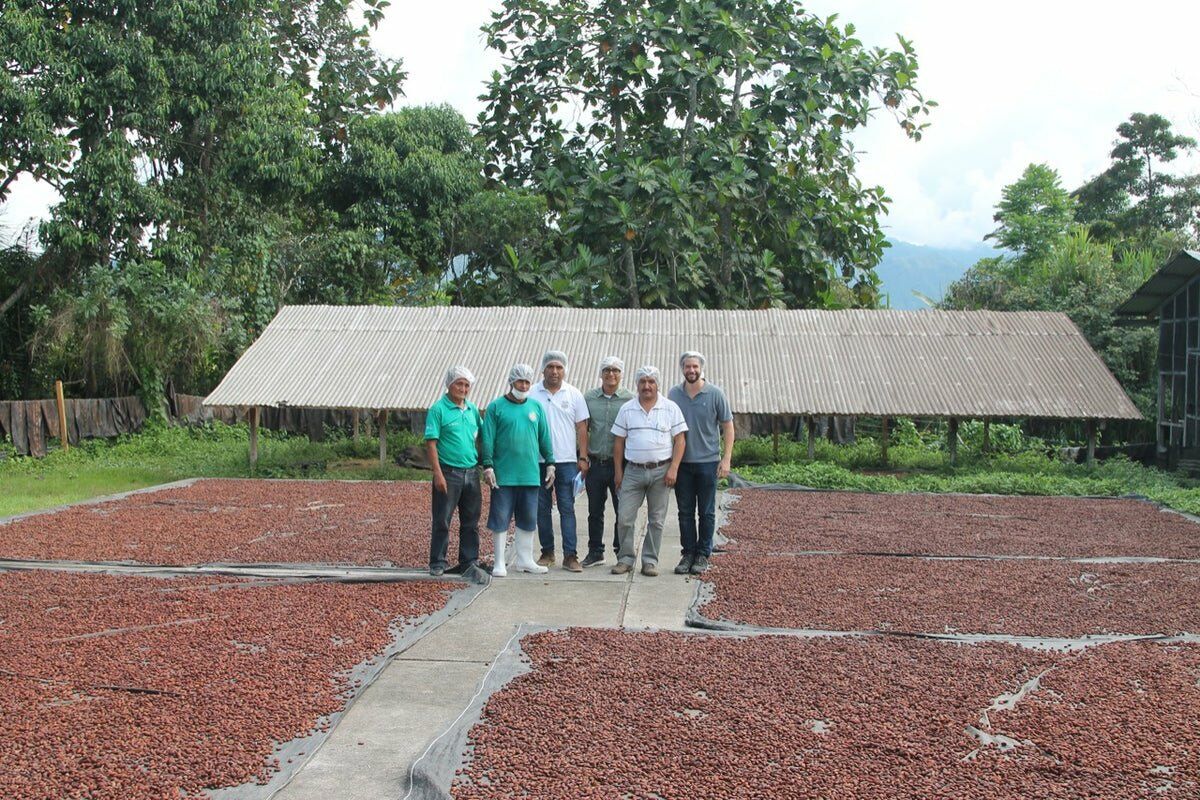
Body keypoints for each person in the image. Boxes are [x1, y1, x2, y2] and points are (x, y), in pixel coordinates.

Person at [610, 366, 687, 577]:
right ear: (637, 384)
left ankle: (650, 561)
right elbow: (618, 443)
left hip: (661, 472)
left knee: (657, 520)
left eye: (651, 381)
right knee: (624, 517)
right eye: (643, 381)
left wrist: (673, 468)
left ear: (657, 384)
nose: (647, 386)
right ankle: (625, 559)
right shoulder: (627, 409)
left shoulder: (670, 408)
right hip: (633, 471)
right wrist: (618, 471)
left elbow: (680, 440)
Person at [481, 364, 555, 577]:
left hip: (530, 475)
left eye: (527, 381)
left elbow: (544, 437)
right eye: (520, 381)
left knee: (528, 518)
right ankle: (499, 562)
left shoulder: (536, 407)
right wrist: (488, 465)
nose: (523, 385)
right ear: (511, 381)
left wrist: (550, 462)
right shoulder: (496, 407)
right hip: (504, 475)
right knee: (501, 517)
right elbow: (488, 438)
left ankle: (525, 560)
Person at [668, 351, 735, 575]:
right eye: (687, 367)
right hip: (683, 464)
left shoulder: (715, 394)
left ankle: (703, 554)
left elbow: (728, 426)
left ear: (701, 368)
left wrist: (726, 459)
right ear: (682, 369)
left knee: (706, 512)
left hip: (708, 463)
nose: (691, 370)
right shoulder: (674, 394)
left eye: (695, 367)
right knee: (685, 512)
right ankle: (688, 554)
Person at [531, 350, 590, 572]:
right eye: (550, 367)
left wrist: (582, 457)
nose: (555, 371)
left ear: (564, 370)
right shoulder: (532, 394)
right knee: (541, 508)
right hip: (538, 461)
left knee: (567, 507)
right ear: (543, 369)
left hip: (566, 461)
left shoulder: (573, 394)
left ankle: (570, 555)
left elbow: (582, 428)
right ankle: (547, 552)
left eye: (559, 367)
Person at [424, 366, 483, 577]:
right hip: (449, 472)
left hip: (471, 472)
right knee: (442, 519)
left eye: (467, 385)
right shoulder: (438, 410)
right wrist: (437, 473)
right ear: (449, 385)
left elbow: (481, 436)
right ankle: (438, 562)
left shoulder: (472, 410)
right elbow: (431, 444)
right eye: (459, 384)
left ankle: (469, 560)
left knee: (471, 521)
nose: (464, 388)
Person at [581, 356, 634, 567]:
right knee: (594, 511)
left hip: (620, 465)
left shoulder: (630, 399)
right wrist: (583, 457)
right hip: (595, 463)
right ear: (600, 373)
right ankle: (595, 551)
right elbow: (583, 429)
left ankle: (621, 552)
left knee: (623, 510)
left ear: (621, 374)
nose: (611, 374)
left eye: (615, 370)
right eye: (606, 370)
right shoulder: (589, 398)